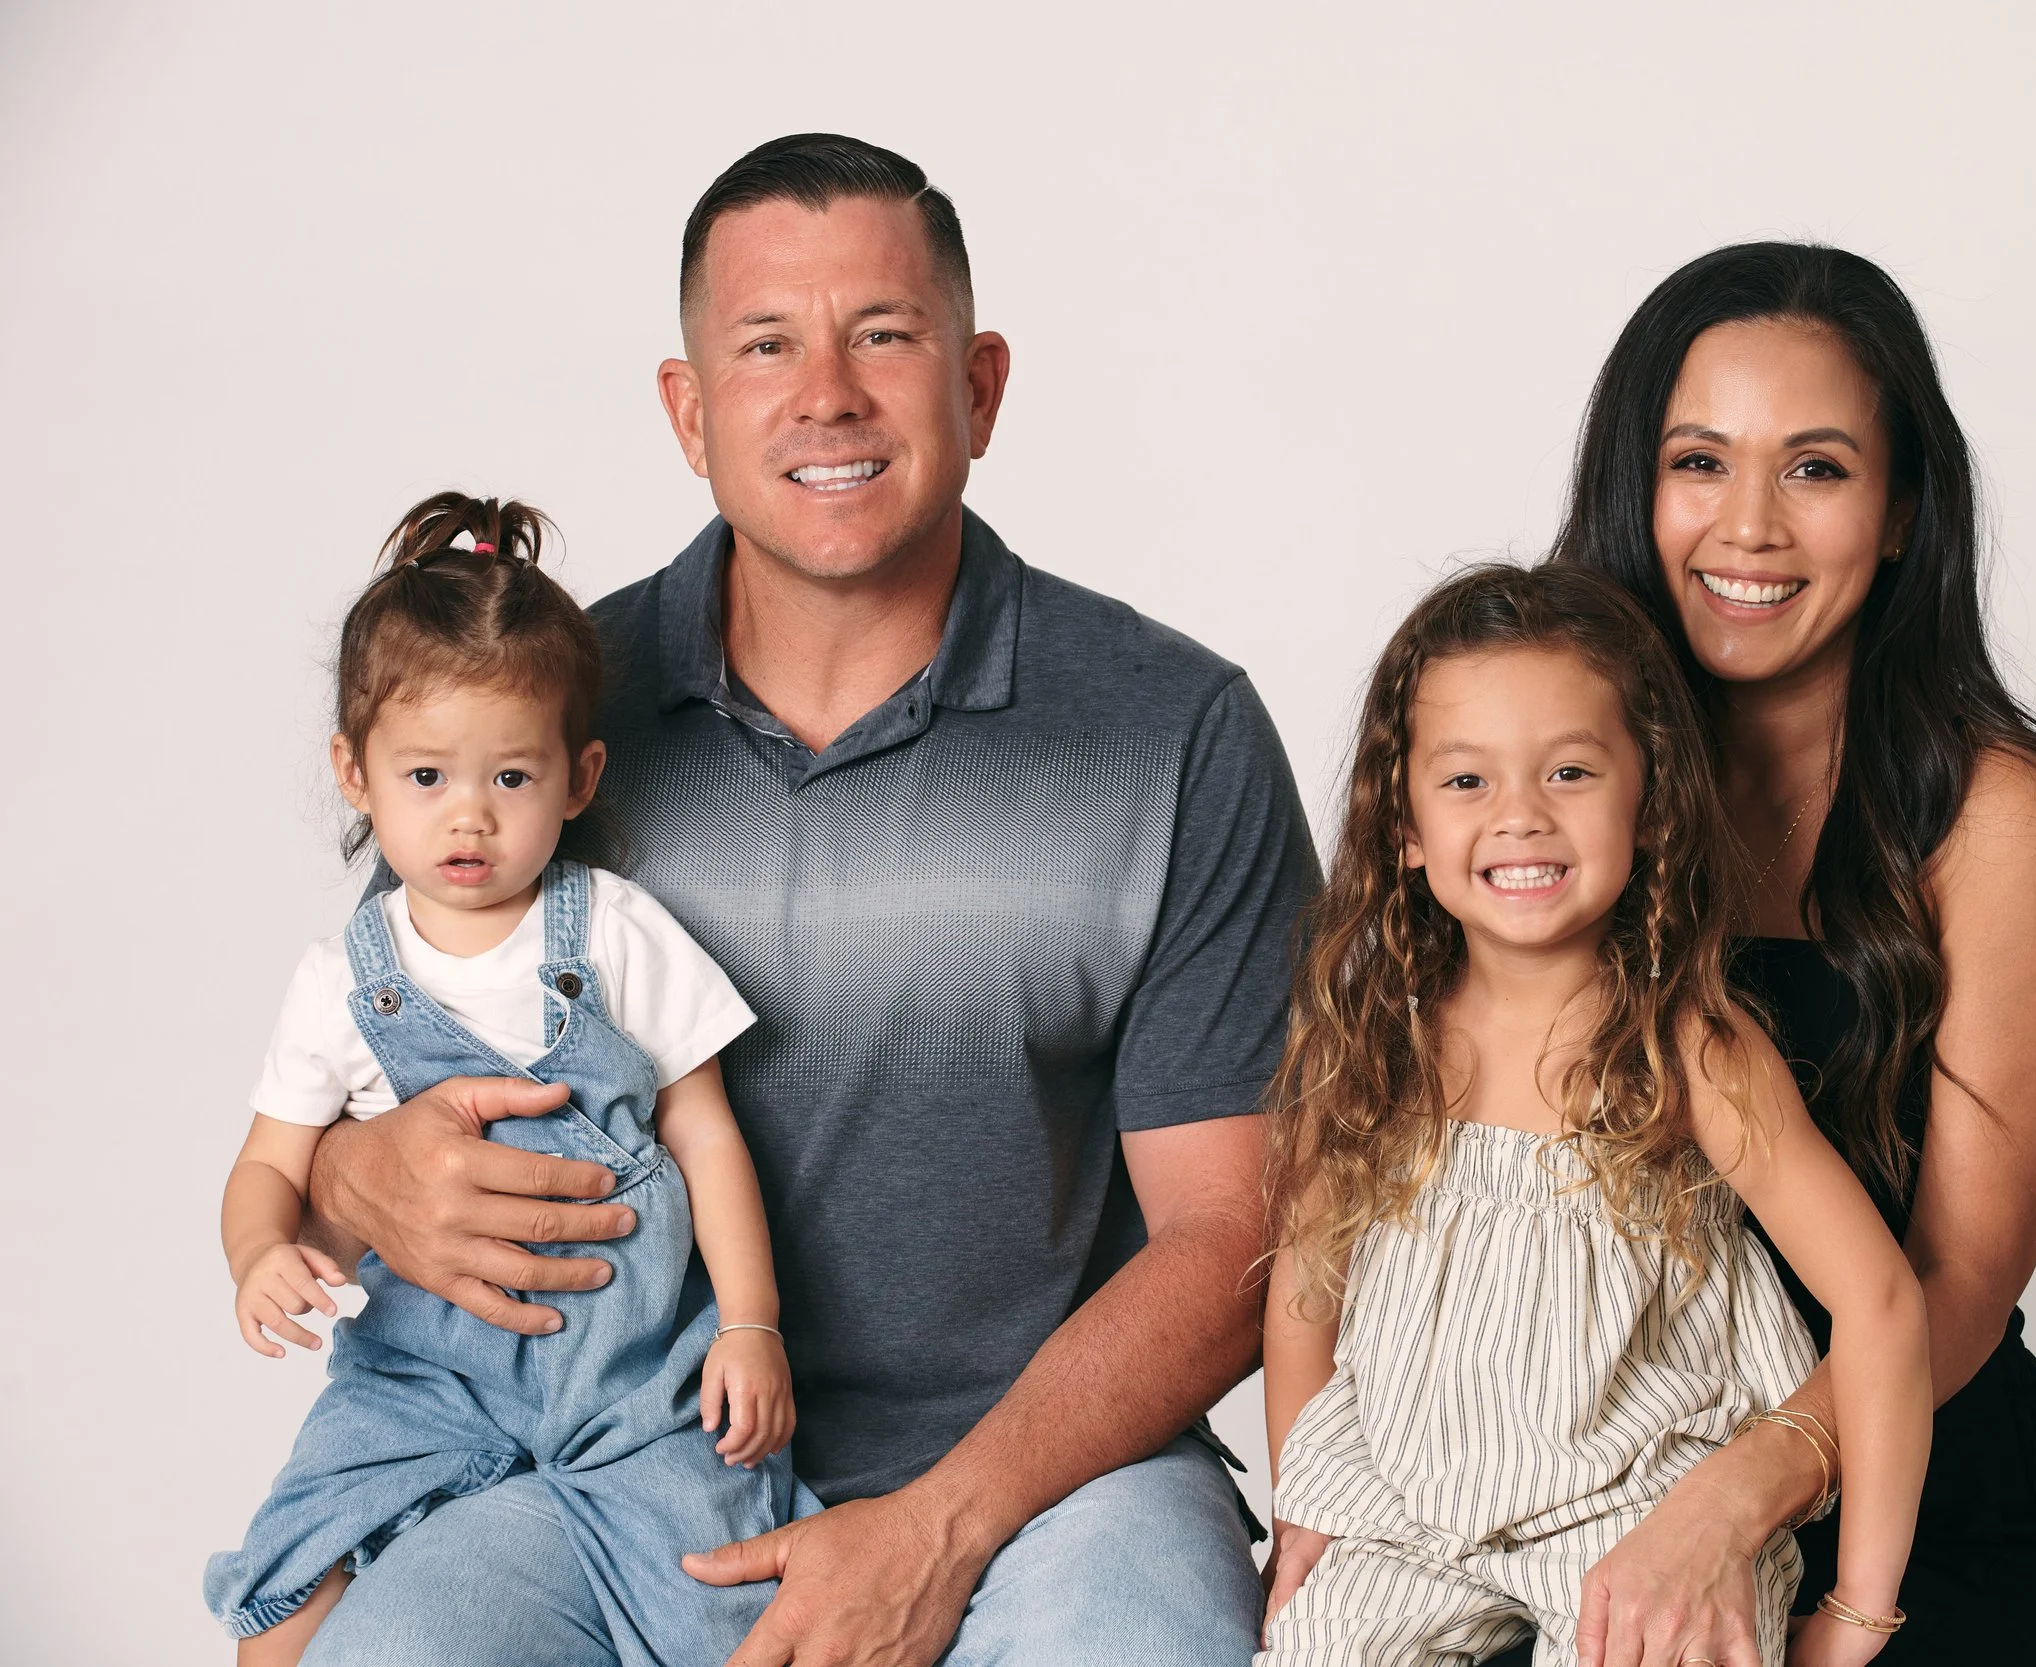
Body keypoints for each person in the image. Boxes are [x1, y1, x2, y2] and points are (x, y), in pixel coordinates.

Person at [292, 135, 1316, 1667]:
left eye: (884, 336)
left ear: (981, 384)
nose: (827, 393)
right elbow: (339, 1134)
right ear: (688, 411)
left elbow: (1235, 1233)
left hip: (1056, 1487)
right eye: (767, 344)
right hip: (603, 1467)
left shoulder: (1170, 730)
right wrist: (360, 1178)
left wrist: (943, 1523)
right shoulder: (533, 724)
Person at [1536, 242, 2036, 1664]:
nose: (1747, 525)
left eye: (1814, 468)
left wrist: (1743, 1492)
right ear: (1638, 489)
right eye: (1699, 460)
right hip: (1590, 1480)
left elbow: (1961, 1277)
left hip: (1916, 1497)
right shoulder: (1546, 794)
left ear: (1900, 512)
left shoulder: (1999, 823)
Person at [1257, 564, 1932, 1667]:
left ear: (1648, 804)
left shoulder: (1689, 1047)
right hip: (1407, 1514)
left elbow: (1881, 1302)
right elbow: (1301, 1300)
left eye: (1569, 769)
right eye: (1466, 779)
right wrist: (1309, 1506)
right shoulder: (1377, 1043)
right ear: (1407, 827)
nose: (1520, 813)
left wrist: (1859, 1603)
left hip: (1636, 1502)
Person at [204, 493, 812, 1666]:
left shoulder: (620, 931)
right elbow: (267, 1164)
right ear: (355, 770)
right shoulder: (343, 980)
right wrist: (258, 1253)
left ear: (579, 778)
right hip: (422, 1377)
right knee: (280, 1614)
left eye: (512, 778)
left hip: (631, 1382)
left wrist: (750, 1321)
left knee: (723, 1609)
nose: (469, 814)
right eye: (426, 775)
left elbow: (708, 1135)